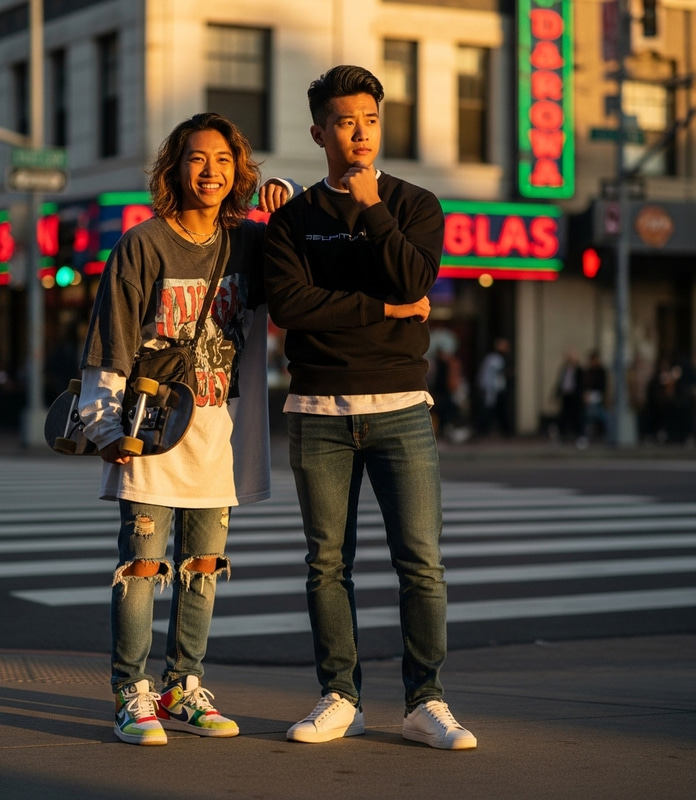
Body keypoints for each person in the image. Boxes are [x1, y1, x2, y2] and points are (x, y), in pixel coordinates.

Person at [264, 65, 476, 750]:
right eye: (346, 121)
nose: (360, 132)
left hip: (402, 410)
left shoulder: (415, 205)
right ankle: (340, 697)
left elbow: (417, 276)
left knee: (421, 561)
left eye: (371, 120)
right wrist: (385, 309)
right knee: (327, 562)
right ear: (319, 130)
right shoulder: (293, 218)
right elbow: (292, 309)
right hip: (317, 411)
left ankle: (426, 701)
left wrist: (372, 208)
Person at [78, 112, 291, 746]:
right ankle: (130, 692)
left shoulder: (249, 244)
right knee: (143, 565)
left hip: (217, 435)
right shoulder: (143, 244)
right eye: (197, 159)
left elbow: (297, 283)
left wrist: (287, 203)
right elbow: (110, 338)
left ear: (239, 170)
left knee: (202, 565)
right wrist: (103, 423)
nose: (211, 172)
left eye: (224, 161)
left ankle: (182, 685)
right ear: (175, 167)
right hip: (150, 431)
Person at [476, 337, 512, 437]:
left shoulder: (499, 358)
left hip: (497, 390)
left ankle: (505, 432)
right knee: (489, 411)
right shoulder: (493, 359)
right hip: (492, 389)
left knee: (500, 411)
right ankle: (482, 431)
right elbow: (490, 375)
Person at [554, 348, 583, 443]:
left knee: (576, 415)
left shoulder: (578, 370)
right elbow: (560, 382)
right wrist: (556, 394)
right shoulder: (565, 369)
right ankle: (563, 434)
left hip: (574, 396)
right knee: (564, 415)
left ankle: (578, 434)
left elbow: (581, 384)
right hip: (566, 395)